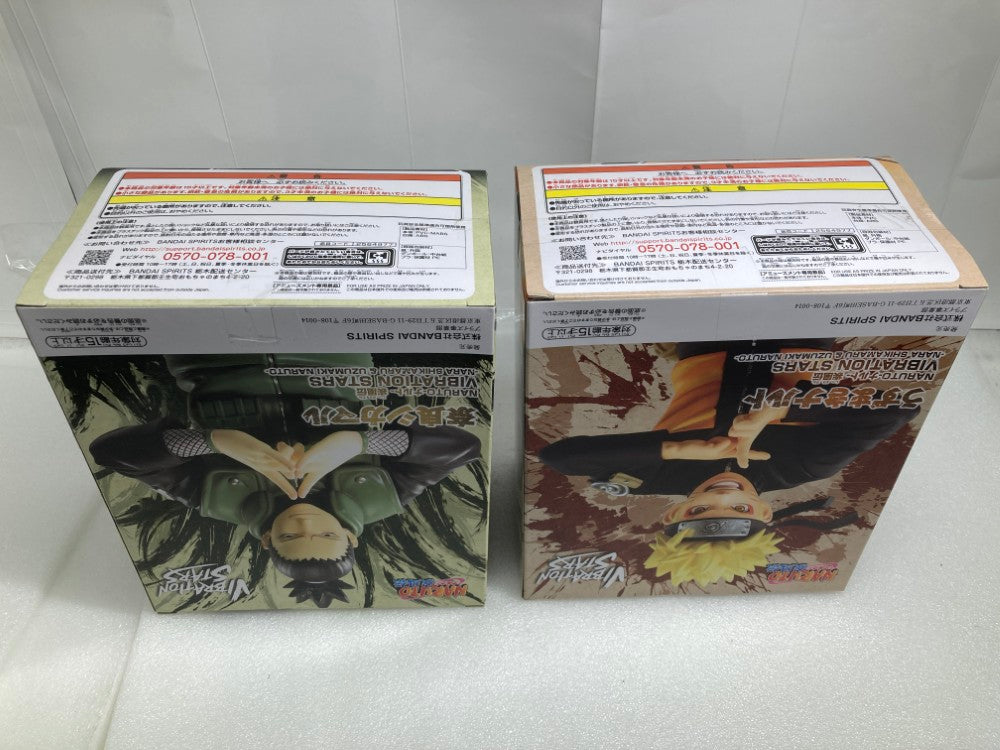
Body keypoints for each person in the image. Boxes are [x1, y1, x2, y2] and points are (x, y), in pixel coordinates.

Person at [90, 353, 482, 607]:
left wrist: (215, 442)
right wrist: (359, 442)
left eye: (291, 536)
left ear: (266, 540)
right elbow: (463, 447)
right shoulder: (384, 495)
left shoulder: (215, 499)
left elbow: (113, 452)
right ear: (350, 537)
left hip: (209, 361)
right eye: (326, 535)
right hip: (333, 356)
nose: (305, 523)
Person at [538, 339, 919, 586]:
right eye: (741, 509)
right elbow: (897, 411)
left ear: (674, 513)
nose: (722, 496)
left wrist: (678, 450)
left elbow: (559, 457)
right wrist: (780, 410)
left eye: (699, 510)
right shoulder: (803, 467)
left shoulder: (656, 477)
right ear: (765, 512)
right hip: (802, 340)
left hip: (702, 344)